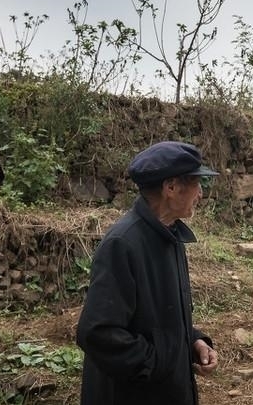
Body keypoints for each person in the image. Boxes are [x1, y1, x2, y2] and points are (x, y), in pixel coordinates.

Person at [75, 140, 220, 405]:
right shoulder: (123, 244)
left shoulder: (170, 235)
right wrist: (159, 363)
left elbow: (160, 318)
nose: (200, 193)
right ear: (171, 188)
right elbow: (97, 333)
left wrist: (193, 342)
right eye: (197, 184)